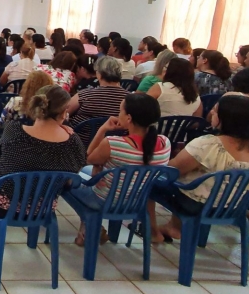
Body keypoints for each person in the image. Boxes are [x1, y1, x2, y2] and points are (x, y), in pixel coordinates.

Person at [0, 85, 87, 234]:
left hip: (3, 206)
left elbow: (5, 157)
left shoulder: (14, 130)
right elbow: (70, 180)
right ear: (64, 113)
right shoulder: (73, 142)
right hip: (43, 208)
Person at [67, 94, 171, 245]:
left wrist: (103, 130)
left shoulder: (114, 143)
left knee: (64, 180)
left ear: (128, 118)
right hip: (137, 200)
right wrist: (98, 165)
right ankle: (93, 227)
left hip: (104, 200)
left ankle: (90, 223)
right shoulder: (164, 143)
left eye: (120, 111)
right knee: (88, 170)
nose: (117, 114)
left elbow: (87, 158)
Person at [148, 95, 249, 242]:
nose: (211, 113)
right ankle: (174, 227)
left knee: (149, 183)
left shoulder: (209, 145)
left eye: (215, 111)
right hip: (235, 208)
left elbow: (172, 170)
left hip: (198, 206)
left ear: (226, 119)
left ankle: (153, 232)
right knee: (196, 180)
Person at [68, 56, 128, 127]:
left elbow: (64, 111)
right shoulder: (129, 99)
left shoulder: (85, 94)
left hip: (82, 136)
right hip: (115, 137)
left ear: (99, 75)